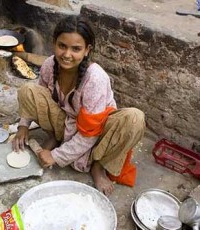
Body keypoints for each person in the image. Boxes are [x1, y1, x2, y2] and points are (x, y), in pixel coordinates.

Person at [12, 15, 145, 196]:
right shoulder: (50, 65)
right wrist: (23, 126)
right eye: (62, 46)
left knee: (135, 118)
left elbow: (89, 134)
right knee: (27, 90)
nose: (67, 55)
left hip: (97, 132)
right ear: (54, 43)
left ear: (87, 50)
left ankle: (98, 166)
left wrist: (56, 156)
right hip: (66, 123)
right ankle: (54, 137)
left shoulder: (95, 78)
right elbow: (38, 98)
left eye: (76, 49)